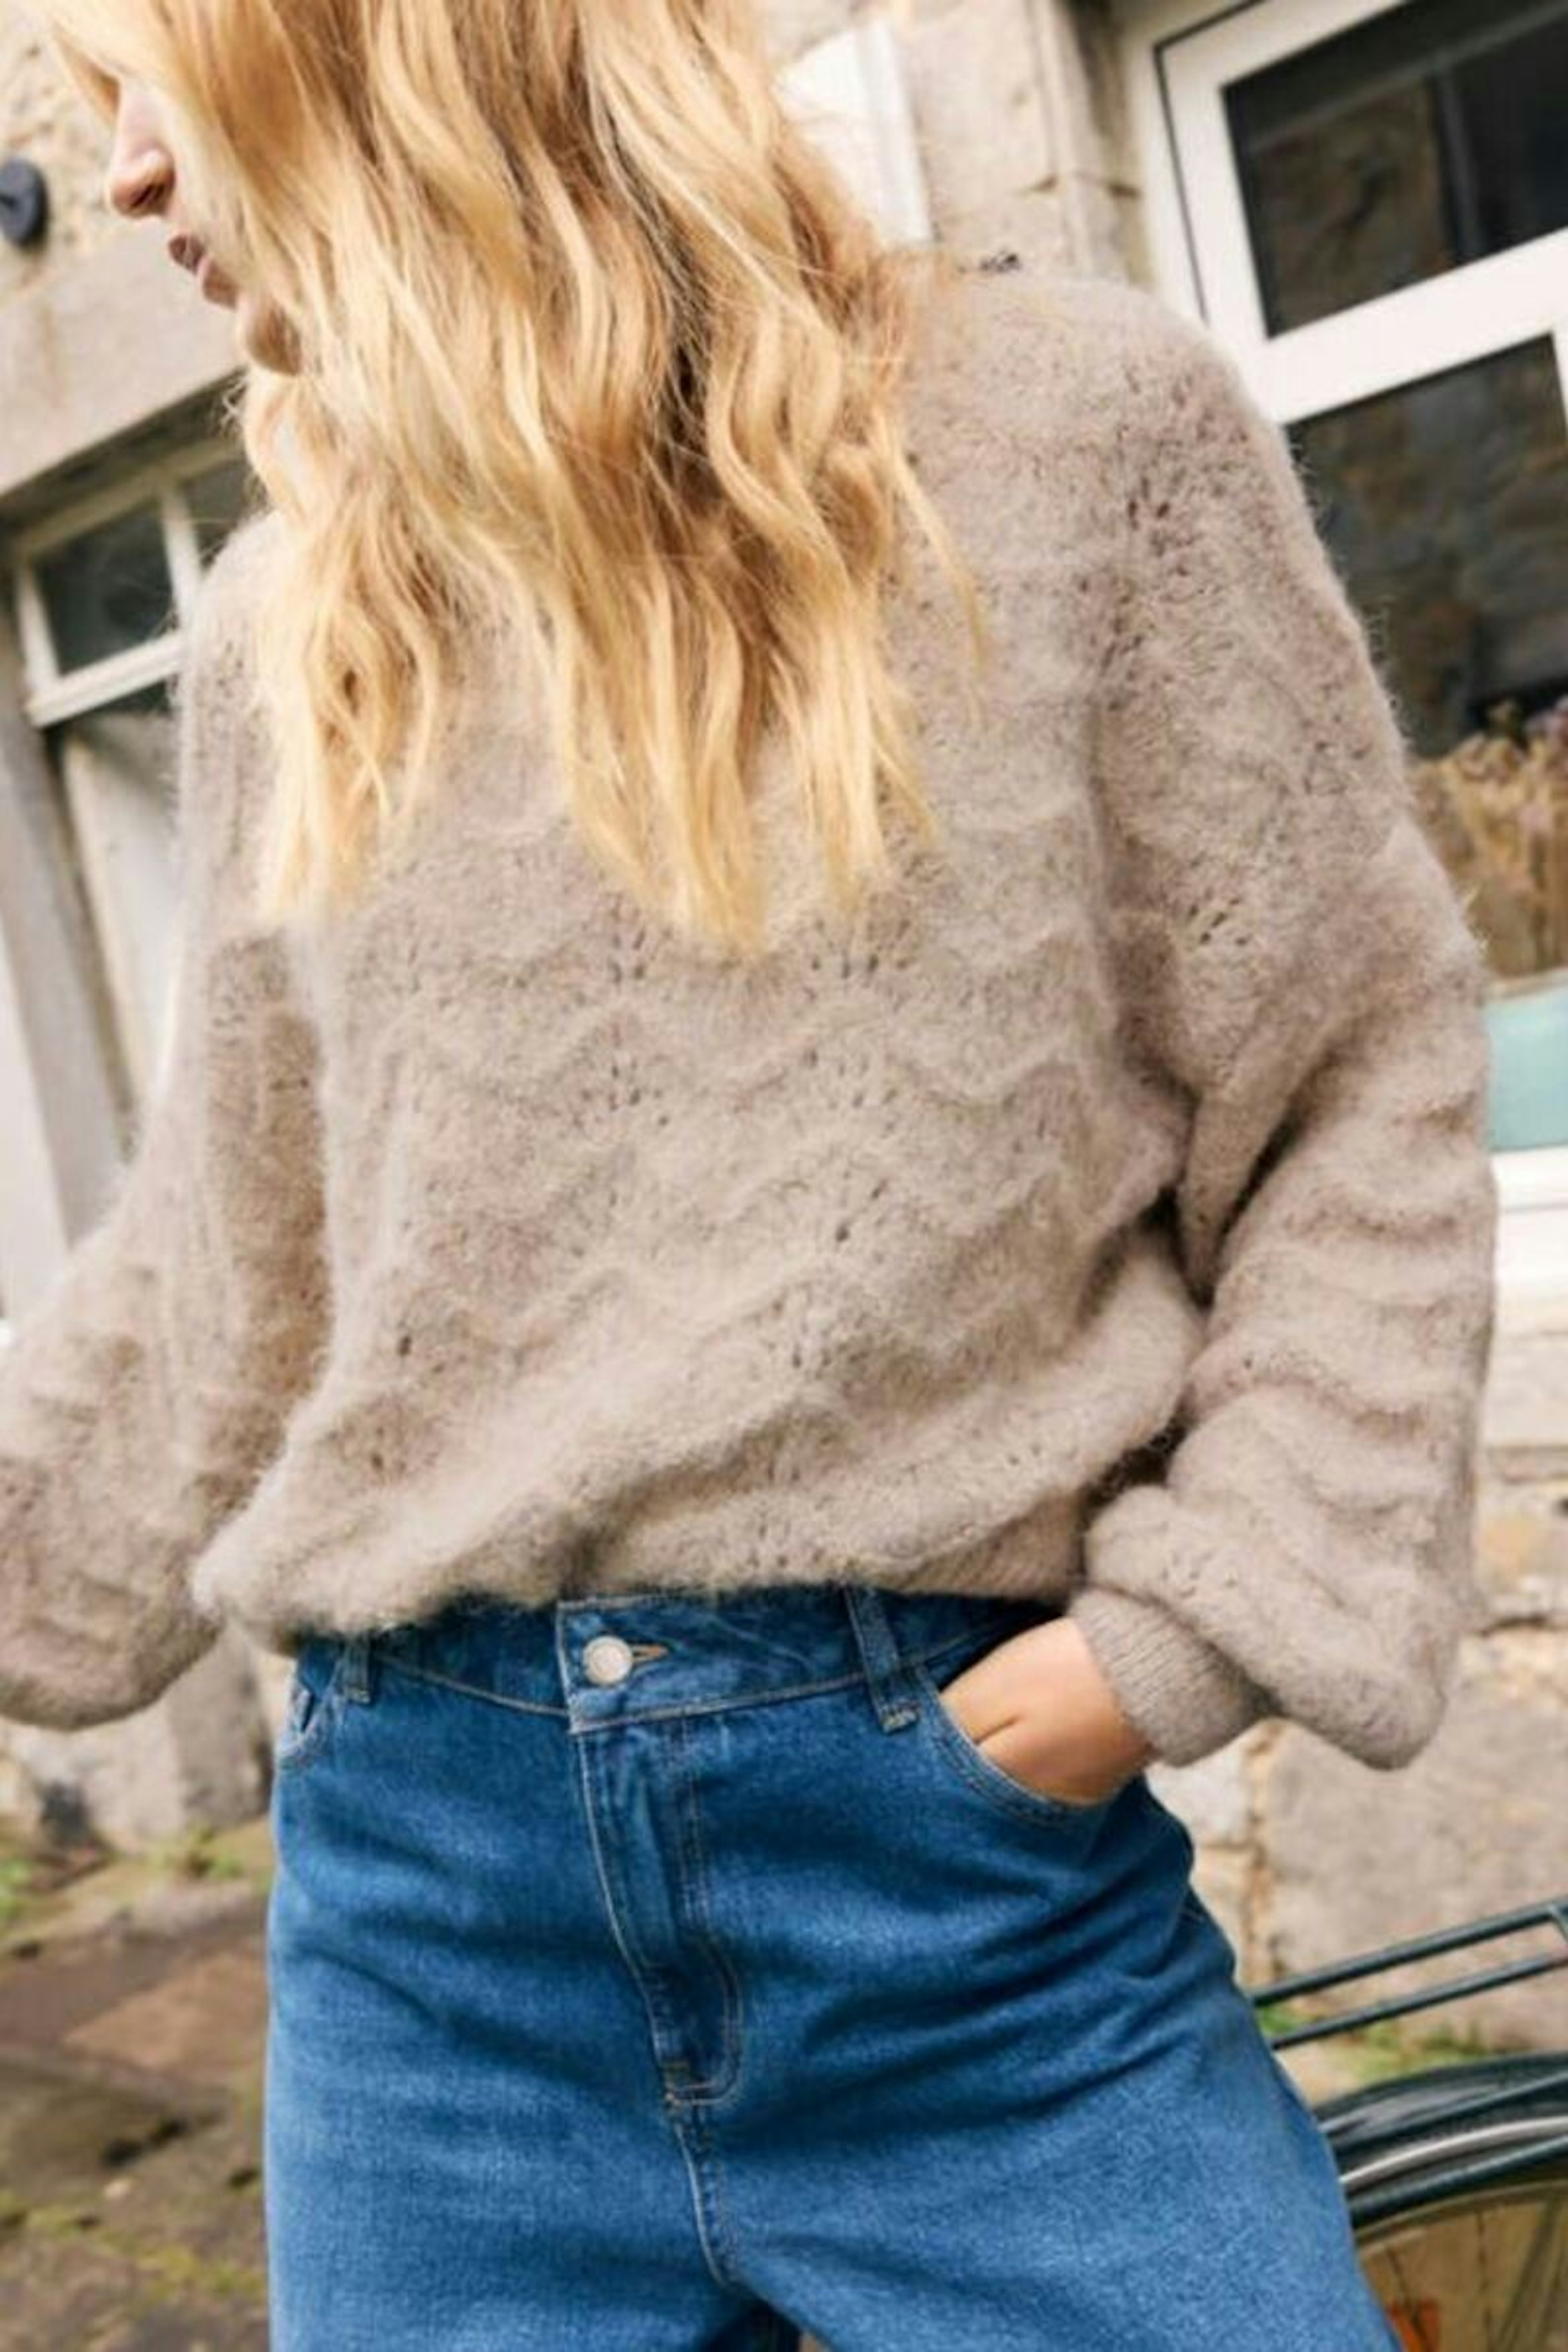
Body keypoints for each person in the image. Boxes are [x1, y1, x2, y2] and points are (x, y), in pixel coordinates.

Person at [9, 3, 1496, 2345]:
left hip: (963, 1901)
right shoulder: (288, 635)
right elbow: (230, 1264)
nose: (127, 183)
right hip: (433, 1943)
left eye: (150, 84)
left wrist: (1177, 1640)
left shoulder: (1079, 444)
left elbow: (1357, 1080)